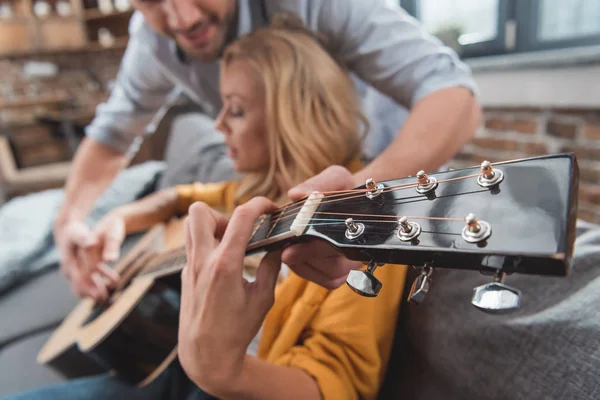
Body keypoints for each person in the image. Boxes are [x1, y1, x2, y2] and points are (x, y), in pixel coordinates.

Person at [8, 19, 406, 400]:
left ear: (292, 118)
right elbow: (183, 196)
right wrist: (118, 220)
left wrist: (223, 370)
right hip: (168, 368)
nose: (217, 125)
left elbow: (335, 387)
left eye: (234, 110)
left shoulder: (362, 224)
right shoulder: (258, 190)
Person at [54, 0, 482, 298]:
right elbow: (113, 134)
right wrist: (72, 220)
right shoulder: (152, 43)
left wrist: (356, 195)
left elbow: (453, 95)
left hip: (379, 181)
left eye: (234, 110)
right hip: (290, 182)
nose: (181, 17)